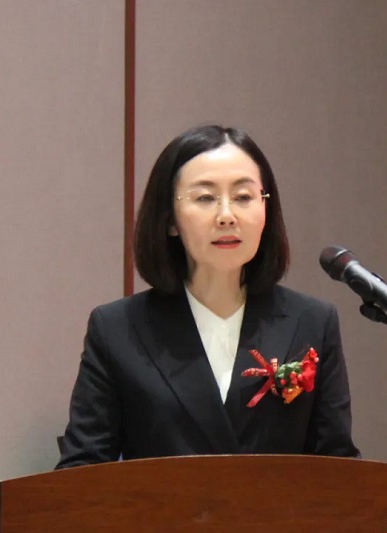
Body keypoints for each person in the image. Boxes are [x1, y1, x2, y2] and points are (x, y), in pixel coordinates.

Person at [56, 125, 359, 468]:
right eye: (204, 198)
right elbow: (80, 471)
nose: (227, 216)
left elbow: (338, 470)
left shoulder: (312, 322)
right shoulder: (117, 329)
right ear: (170, 220)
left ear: (265, 210)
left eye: (243, 197)